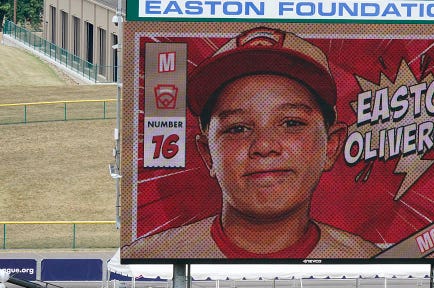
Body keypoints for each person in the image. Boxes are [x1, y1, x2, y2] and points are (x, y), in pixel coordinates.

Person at [122, 27, 381, 259]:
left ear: (331, 146)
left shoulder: (370, 259)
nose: (264, 145)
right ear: (208, 154)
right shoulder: (151, 255)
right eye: (238, 128)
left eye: (291, 123)